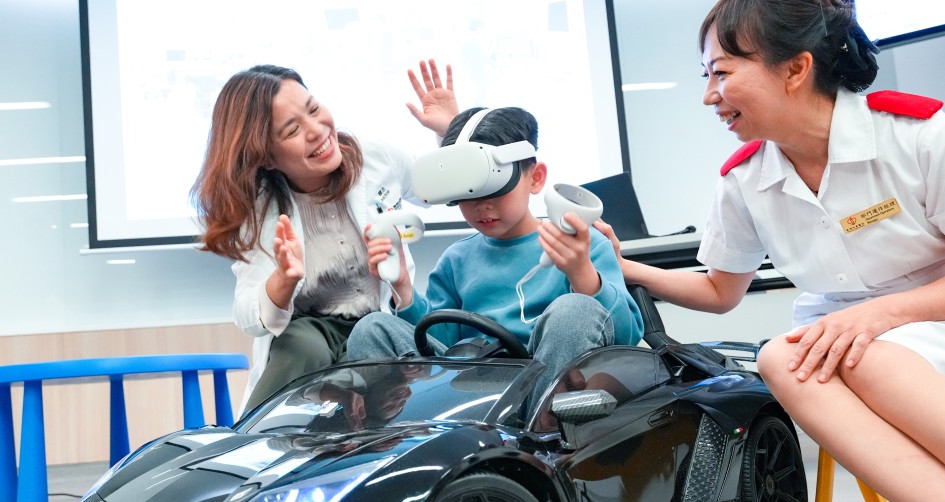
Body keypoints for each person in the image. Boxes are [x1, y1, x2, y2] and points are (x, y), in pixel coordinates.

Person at [597, 0, 945, 502]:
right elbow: (720, 291)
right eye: (706, 77)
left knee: (862, 354)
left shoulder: (921, 139)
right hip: (851, 343)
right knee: (780, 356)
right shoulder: (745, 180)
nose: (709, 96)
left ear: (796, 69)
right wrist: (622, 266)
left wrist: (876, 316)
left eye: (722, 74)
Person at [192, 60, 458, 412]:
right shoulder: (260, 208)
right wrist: (283, 280)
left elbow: (448, 188)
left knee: (373, 340)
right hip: (312, 335)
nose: (317, 130)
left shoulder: (375, 158)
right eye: (292, 130)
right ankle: (247, 448)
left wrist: (451, 130)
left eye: (314, 109)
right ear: (267, 157)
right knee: (301, 343)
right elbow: (246, 314)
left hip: (376, 326)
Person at [347, 106, 644, 410]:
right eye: (468, 195)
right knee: (373, 327)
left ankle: (539, 432)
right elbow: (435, 343)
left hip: (543, 391)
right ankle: (395, 438)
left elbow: (626, 336)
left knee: (575, 310)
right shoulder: (456, 260)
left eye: (494, 192)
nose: (481, 207)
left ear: (536, 178)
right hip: (467, 391)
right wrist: (404, 288)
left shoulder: (583, 246)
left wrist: (581, 273)